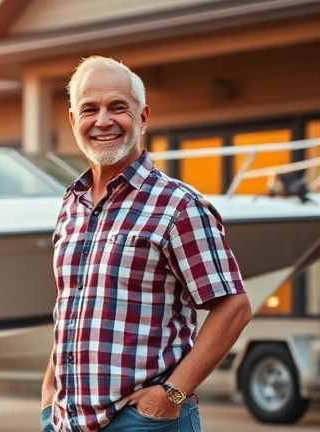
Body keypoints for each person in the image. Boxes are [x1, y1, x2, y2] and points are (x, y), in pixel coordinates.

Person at [40, 56, 252, 431]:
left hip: (145, 423)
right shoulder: (71, 205)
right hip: (66, 422)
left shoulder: (178, 206)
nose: (103, 120)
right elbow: (71, 308)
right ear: (73, 121)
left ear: (143, 117)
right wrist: (48, 396)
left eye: (117, 107)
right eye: (89, 109)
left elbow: (233, 307)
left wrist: (172, 395)